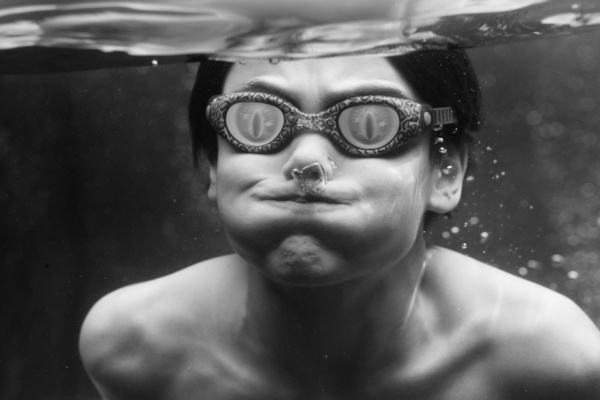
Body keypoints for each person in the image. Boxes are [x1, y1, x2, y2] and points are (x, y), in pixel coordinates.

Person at [79, 49, 600, 400]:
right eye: (257, 120)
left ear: (446, 172)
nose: (307, 164)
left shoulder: (548, 358)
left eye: (369, 123)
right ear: (213, 167)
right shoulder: (134, 346)